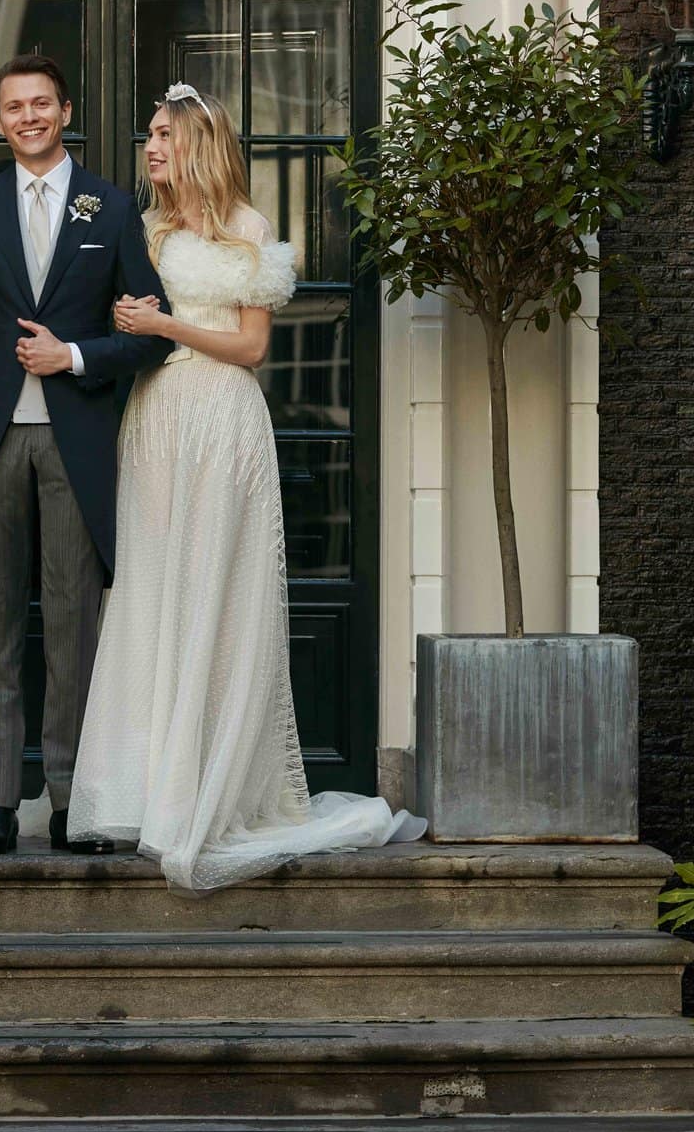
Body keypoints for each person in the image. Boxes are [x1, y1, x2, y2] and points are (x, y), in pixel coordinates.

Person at [67, 82, 426, 890]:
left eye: (163, 135)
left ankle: (210, 789)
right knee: (152, 590)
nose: (149, 147)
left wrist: (163, 327)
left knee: (215, 594)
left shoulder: (247, 231)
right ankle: (144, 791)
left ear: (199, 141)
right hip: (154, 421)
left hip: (222, 419)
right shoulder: (143, 228)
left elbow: (251, 347)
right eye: (148, 134)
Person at [0, 54, 174, 859]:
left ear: (64, 110)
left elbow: (152, 333)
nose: (27, 117)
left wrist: (73, 357)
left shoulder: (111, 206)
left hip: (77, 441)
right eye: (12, 107)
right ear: (0, 120)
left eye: (40, 103)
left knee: (74, 631)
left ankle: (72, 804)